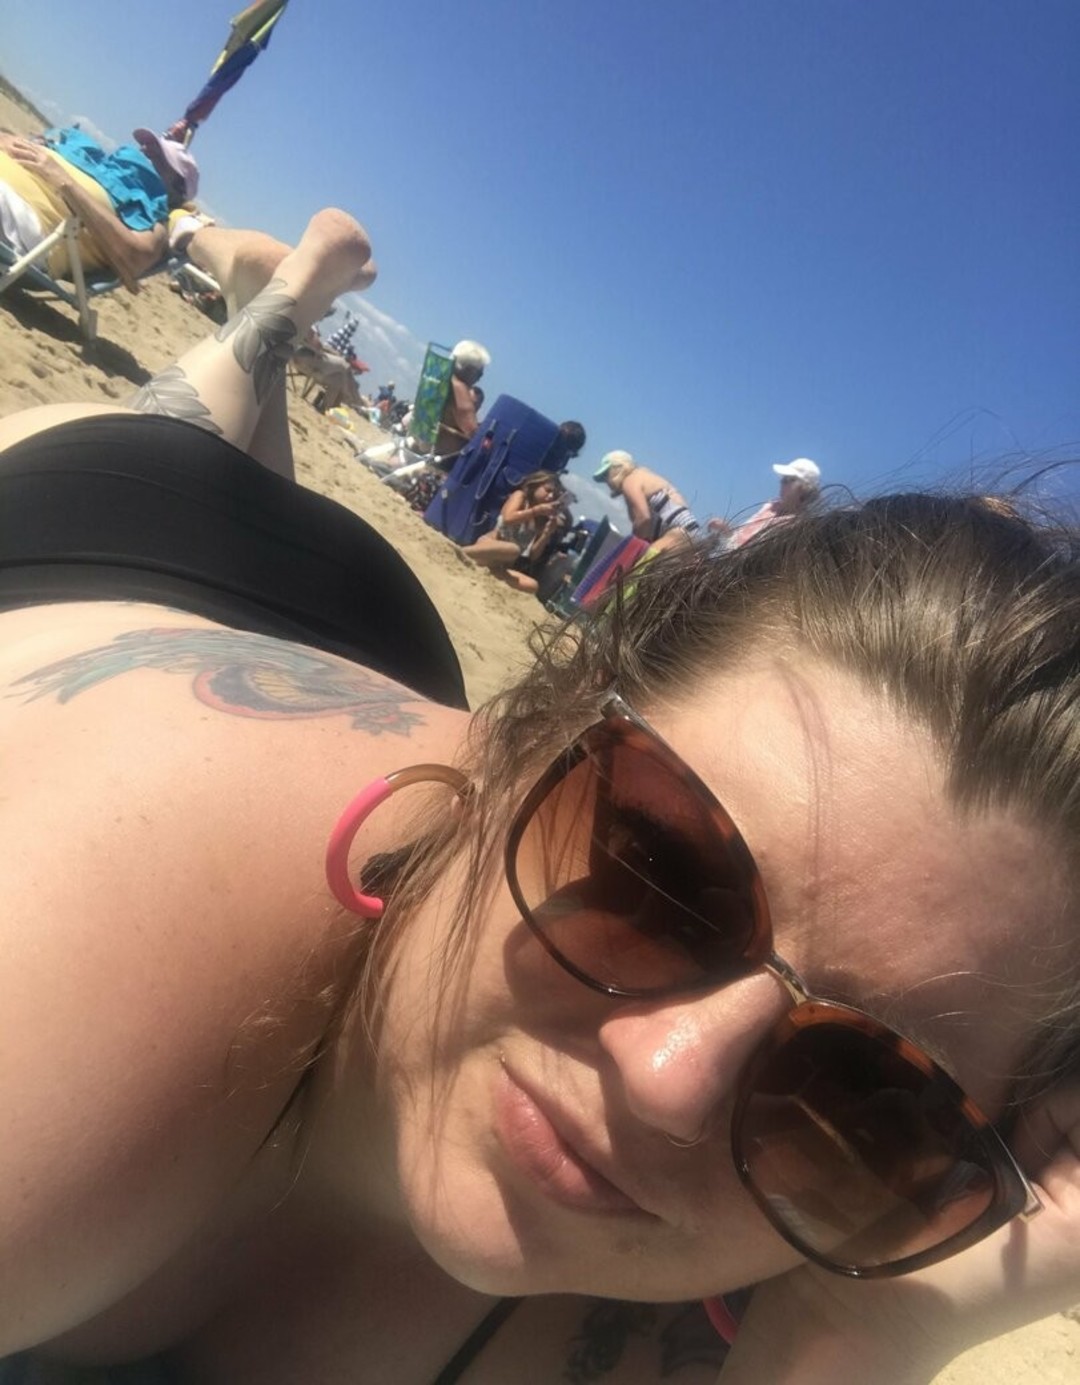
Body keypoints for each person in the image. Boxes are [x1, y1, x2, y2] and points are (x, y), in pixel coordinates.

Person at [0, 215, 1078, 1385]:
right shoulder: (74, 966)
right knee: (193, 416)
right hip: (136, 530)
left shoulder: (760, 1279)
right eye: (658, 874)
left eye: (865, 1096)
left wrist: (859, 1332)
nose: (668, 1085)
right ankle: (281, 305)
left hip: (393, 657)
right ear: (533, 729)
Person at [0, 125, 199, 291]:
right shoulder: (98, 167)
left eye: (157, 155)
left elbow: (135, 258)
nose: (144, 150)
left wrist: (64, 181)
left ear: (176, 187)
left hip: (18, 220)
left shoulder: (154, 221)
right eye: (146, 145)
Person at [462, 469, 565, 594]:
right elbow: (508, 518)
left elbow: (533, 555)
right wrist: (536, 510)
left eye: (555, 495)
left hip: (502, 565)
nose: (551, 496)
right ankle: (461, 553)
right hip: (490, 547)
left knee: (533, 585)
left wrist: (546, 534)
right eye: (548, 490)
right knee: (513, 549)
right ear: (535, 485)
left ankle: (488, 574)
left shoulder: (541, 519)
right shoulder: (520, 496)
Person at [593, 448, 702, 556]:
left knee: (641, 562)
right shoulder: (643, 475)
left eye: (606, 475)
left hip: (680, 532)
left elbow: (643, 518)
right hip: (691, 532)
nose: (606, 481)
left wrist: (630, 547)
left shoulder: (630, 481)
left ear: (618, 468)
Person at [713, 457, 822, 548]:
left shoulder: (798, 528)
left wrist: (726, 533)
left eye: (787, 480)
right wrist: (726, 531)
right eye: (782, 479)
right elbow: (738, 542)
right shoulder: (771, 507)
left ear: (804, 488)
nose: (781, 483)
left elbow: (747, 555)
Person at [435, 337, 491, 459]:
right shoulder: (459, 388)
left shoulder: (438, 377)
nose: (480, 377)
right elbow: (474, 433)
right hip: (444, 455)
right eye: (479, 373)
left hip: (423, 439)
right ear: (467, 369)